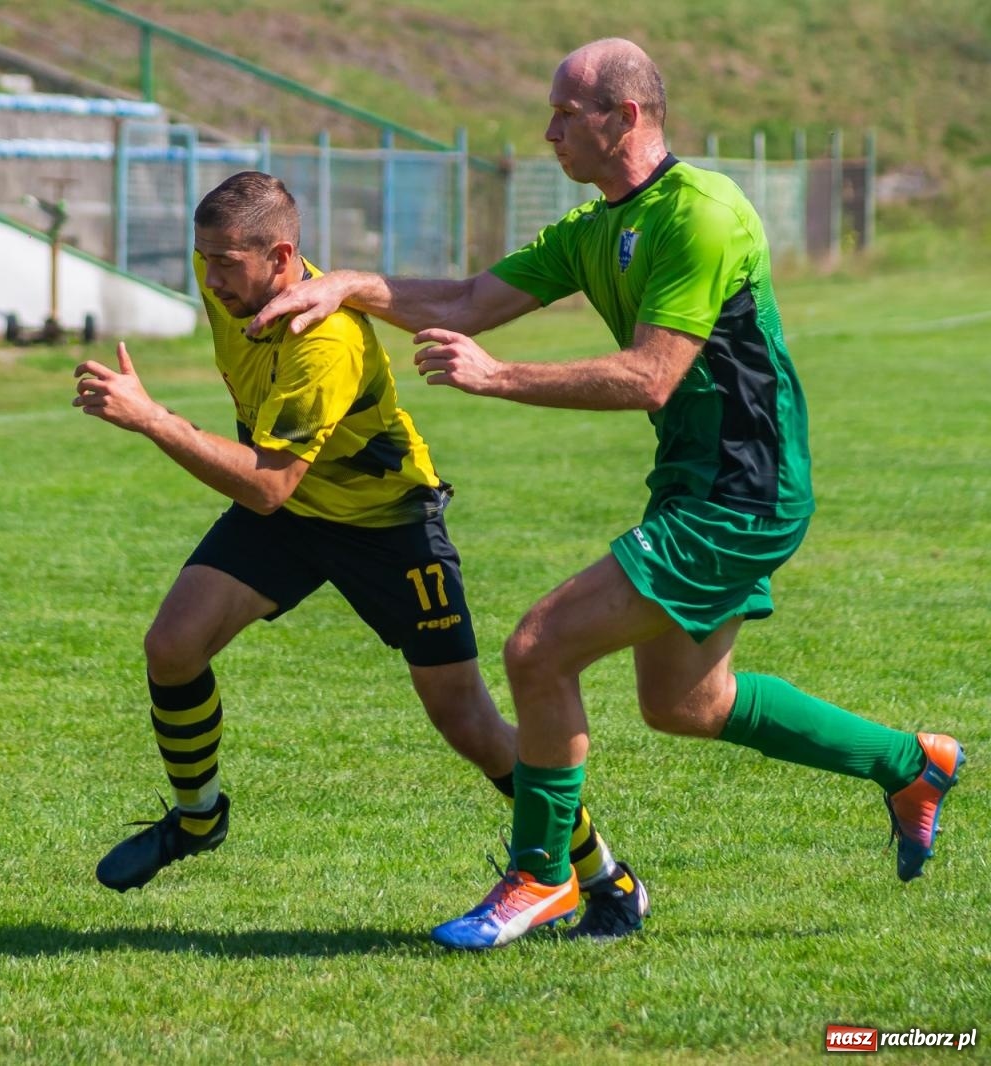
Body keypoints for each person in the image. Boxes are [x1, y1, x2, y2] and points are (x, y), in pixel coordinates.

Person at [250, 38, 963, 951]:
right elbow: (467, 298)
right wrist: (348, 284)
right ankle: (912, 764)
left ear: (624, 118)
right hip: (696, 485)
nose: (548, 132)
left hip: (742, 494)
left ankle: (543, 875)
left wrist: (498, 379)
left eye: (564, 114)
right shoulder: (595, 230)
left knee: (539, 650)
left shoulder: (702, 214)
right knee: (686, 705)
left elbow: (651, 375)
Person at [73, 170, 649, 938]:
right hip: (294, 509)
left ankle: (604, 878)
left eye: (226, 262)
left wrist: (153, 419)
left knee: (466, 721)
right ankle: (198, 819)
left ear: (282, 257)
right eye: (201, 258)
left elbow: (269, 486)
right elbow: (278, 491)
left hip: (385, 522)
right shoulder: (231, 286)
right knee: (172, 646)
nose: (210, 279)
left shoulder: (328, 342)